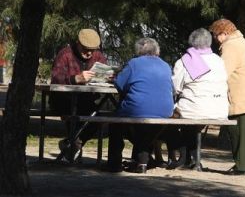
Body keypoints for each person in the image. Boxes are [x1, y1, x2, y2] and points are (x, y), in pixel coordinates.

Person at [107, 37, 174, 173]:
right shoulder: (166, 65)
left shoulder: (134, 63)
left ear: (138, 51)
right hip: (165, 111)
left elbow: (120, 84)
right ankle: (142, 161)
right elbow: (170, 88)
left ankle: (114, 164)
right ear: (157, 51)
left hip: (137, 109)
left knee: (115, 123)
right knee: (144, 128)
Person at [209, 19, 245, 175]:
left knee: (237, 132)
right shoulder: (241, 41)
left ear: (223, 33)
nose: (215, 39)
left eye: (215, 34)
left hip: (240, 95)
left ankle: (241, 166)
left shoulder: (230, 46)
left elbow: (223, 71)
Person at [171, 28, 229, 169]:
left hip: (193, 108)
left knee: (173, 117)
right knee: (190, 120)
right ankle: (193, 160)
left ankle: (184, 158)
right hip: (219, 109)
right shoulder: (219, 60)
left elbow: (175, 87)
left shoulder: (184, 61)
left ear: (191, 42)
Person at [49, 28, 107, 163]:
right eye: (86, 49)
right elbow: (56, 79)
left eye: (92, 50)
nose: (89, 53)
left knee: (97, 119)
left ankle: (71, 144)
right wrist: (76, 79)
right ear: (77, 44)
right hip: (63, 100)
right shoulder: (65, 54)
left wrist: (108, 77)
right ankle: (72, 146)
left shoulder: (98, 56)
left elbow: (107, 73)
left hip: (86, 100)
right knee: (75, 116)